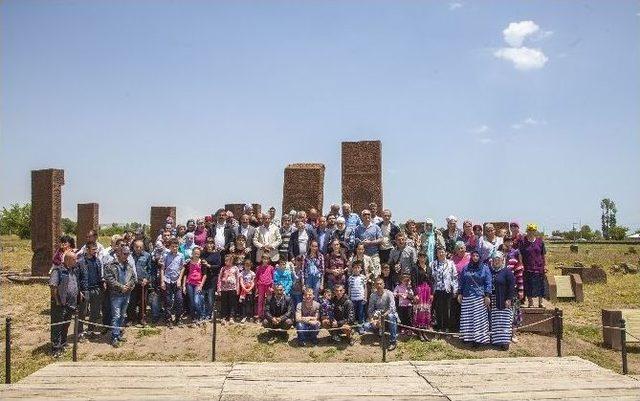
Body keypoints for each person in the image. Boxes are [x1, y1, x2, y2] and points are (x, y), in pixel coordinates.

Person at [457, 250, 492, 347]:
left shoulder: (485, 268)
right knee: (467, 317)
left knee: (478, 319)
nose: (475, 257)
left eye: (477, 256)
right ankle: (468, 337)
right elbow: (461, 281)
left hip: (478, 296)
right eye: (473, 255)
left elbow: (488, 282)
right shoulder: (466, 268)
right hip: (467, 295)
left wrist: (487, 296)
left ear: (480, 257)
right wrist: (460, 293)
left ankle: (478, 339)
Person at [104, 245, 136, 347]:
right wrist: (121, 287)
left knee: (122, 315)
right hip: (116, 295)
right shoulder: (111, 265)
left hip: (126, 294)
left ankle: (118, 334)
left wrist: (129, 285)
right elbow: (109, 279)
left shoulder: (129, 265)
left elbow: (133, 278)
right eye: (125, 253)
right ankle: (114, 337)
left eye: (128, 254)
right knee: (116, 316)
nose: (127, 256)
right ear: (119, 253)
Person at [49, 251, 79, 357]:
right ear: (67, 260)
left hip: (70, 304)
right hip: (60, 304)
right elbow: (53, 286)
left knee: (66, 325)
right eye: (74, 259)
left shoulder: (72, 270)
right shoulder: (58, 270)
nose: (77, 261)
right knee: (57, 326)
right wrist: (57, 300)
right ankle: (55, 349)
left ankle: (63, 343)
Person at [76, 241, 103, 340]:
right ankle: (80, 333)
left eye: (96, 249)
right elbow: (77, 278)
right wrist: (79, 291)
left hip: (96, 289)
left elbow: (99, 275)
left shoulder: (98, 261)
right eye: (93, 249)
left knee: (95, 312)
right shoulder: (80, 262)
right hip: (84, 290)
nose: (95, 251)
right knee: (82, 313)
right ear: (87, 249)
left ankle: (90, 330)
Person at [489, 252, 515, 350]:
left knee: (504, 321)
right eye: (494, 260)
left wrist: (509, 299)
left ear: (502, 260)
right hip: (494, 299)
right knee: (495, 321)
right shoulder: (490, 271)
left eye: (498, 260)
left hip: (504, 299)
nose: (496, 262)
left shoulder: (507, 272)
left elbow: (511, 286)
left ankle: (504, 342)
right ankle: (496, 341)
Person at [364, 277, 398, 350]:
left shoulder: (389, 293)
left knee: (391, 316)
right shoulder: (372, 295)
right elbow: (370, 310)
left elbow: (392, 308)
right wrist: (373, 320)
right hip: (377, 316)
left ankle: (393, 341)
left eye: (380, 284)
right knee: (366, 326)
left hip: (387, 316)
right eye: (377, 284)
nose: (379, 285)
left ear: (384, 285)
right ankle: (379, 333)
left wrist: (382, 317)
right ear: (375, 286)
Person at [519, 224, 546, 308]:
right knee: (528, 285)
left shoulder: (540, 241)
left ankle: (540, 302)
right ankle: (530, 302)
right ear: (527, 231)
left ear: (535, 231)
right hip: (527, 267)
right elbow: (520, 254)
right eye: (529, 230)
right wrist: (521, 264)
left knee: (540, 284)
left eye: (533, 230)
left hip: (539, 266)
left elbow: (543, 254)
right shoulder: (523, 241)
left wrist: (545, 265)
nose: (531, 232)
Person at [431, 247, 458, 332]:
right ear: (437, 254)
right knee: (438, 308)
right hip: (437, 289)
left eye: (443, 252)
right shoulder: (433, 263)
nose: (441, 254)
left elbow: (454, 277)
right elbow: (431, 277)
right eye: (439, 252)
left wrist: (455, 289)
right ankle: (439, 327)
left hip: (447, 289)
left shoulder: (450, 263)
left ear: (445, 253)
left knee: (447, 309)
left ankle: (446, 327)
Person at [502, 236, 524, 341]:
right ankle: (502, 334)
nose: (504, 253)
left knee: (514, 312)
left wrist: (521, 290)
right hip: (501, 292)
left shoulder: (514, 262)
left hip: (513, 291)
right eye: (502, 251)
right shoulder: (495, 263)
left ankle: (513, 334)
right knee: (503, 314)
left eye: (505, 251)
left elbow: (519, 277)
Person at [160, 239, 185, 327]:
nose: (174, 248)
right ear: (169, 247)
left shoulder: (181, 255)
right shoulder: (166, 255)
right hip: (167, 280)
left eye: (176, 246)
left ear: (178, 246)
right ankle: (168, 319)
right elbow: (162, 268)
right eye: (172, 247)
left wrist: (179, 279)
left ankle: (178, 318)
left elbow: (182, 268)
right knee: (168, 300)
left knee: (179, 299)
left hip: (177, 280)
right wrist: (162, 281)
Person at [128, 240, 152, 326]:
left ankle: (142, 318)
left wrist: (146, 279)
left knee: (143, 301)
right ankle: (131, 318)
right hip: (133, 282)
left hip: (143, 283)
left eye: (140, 247)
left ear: (143, 247)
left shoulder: (147, 255)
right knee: (132, 301)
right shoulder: (129, 256)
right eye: (136, 247)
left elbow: (150, 269)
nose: (138, 248)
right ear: (133, 247)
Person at [354, 209, 383, 279]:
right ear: (362, 217)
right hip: (363, 256)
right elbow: (355, 240)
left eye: (368, 214)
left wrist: (370, 242)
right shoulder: (357, 228)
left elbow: (381, 239)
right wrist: (361, 243)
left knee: (376, 274)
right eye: (365, 215)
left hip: (374, 254)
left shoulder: (376, 227)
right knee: (364, 275)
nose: (367, 216)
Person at [182, 247, 207, 325]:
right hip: (189, 283)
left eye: (198, 254)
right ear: (192, 253)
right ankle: (193, 317)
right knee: (192, 302)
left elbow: (205, 275)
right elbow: (185, 274)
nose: (196, 255)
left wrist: (201, 286)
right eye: (195, 253)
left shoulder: (202, 263)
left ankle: (200, 316)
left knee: (196, 301)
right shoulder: (188, 263)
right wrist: (184, 286)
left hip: (198, 284)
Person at [450, 241, 470, 332]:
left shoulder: (470, 257)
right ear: (456, 250)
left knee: (466, 307)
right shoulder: (452, 258)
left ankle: (466, 327)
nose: (461, 250)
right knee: (456, 307)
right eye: (458, 248)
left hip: (468, 286)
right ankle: (456, 327)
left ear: (465, 248)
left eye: (462, 248)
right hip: (456, 286)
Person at [412, 255, 433, 340]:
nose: (422, 258)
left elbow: (431, 281)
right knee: (419, 311)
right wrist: (415, 294)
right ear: (418, 258)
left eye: (424, 257)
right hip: (419, 290)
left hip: (427, 291)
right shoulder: (415, 268)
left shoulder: (428, 268)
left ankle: (424, 331)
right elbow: (413, 281)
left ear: (426, 258)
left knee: (425, 311)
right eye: (420, 257)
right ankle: (419, 332)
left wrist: (432, 293)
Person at [201, 238, 222, 319]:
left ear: (213, 244)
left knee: (210, 297)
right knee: (203, 297)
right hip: (203, 278)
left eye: (211, 243)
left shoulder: (217, 254)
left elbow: (219, 266)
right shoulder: (203, 253)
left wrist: (209, 265)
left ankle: (210, 313)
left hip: (213, 278)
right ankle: (204, 313)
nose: (209, 245)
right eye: (208, 243)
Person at [217, 253, 240, 324]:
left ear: (232, 260)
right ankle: (223, 317)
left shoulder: (235, 268)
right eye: (225, 260)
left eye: (228, 260)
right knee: (224, 303)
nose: (226, 262)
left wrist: (237, 288)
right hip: (224, 289)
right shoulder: (223, 268)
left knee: (232, 303)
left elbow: (237, 279)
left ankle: (231, 317)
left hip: (232, 288)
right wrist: (218, 288)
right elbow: (219, 278)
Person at [255, 254, 275, 318]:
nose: (265, 260)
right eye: (264, 259)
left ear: (269, 260)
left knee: (269, 300)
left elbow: (273, 278)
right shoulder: (258, 268)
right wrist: (256, 287)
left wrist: (272, 287)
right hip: (261, 285)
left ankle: (269, 315)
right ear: (262, 259)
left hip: (268, 286)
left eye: (267, 259)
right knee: (260, 300)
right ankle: (260, 315)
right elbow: (256, 278)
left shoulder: (271, 268)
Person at [239, 258, 256, 323]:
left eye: (248, 265)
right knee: (243, 303)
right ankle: (244, 316)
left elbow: (253, 282)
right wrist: (244, 288)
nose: (247, 267)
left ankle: (251, 316)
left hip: (250, 291)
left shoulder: (252, 273)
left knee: (251, 303)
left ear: (250, 266)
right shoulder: (242, 273)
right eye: (246, 265)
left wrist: (249, 289)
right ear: (244, 265)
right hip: (243, 291)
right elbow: (241, 281)